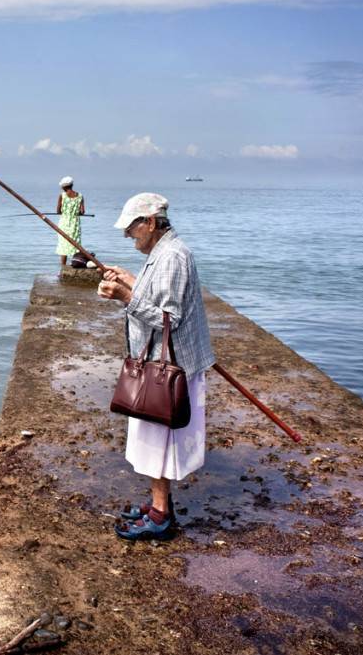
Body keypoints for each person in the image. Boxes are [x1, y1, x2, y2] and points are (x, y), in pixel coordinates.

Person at [96, 193, 215, 541]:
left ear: (150, 222)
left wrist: (125, 297)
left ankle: (160, 515)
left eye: (131, 228)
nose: (127, 235)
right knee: (154, 440)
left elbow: (169, 320)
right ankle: (159, 504)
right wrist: (132, 280)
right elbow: (160, 296)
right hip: (163, 366)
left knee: (156, 442)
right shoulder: (160, 253)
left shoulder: (173, 257)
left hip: (169, 370)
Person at [54, 176, 86, 268]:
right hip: (75, 224)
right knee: (75, 243)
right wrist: (76, 212)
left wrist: (65, 211)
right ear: (71, 185)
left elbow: (58, 211)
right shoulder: (80, 196)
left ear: (64, 186)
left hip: (64, 223)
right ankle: (74, 264)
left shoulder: (62, 195)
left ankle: (63, 266)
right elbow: (82, 211)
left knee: (63, 244)